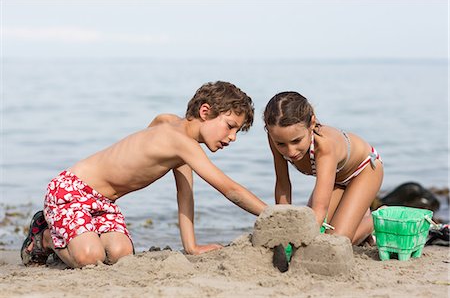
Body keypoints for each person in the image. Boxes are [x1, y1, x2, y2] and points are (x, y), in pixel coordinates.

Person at [21, 81, 267, 268]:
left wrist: (191, 247)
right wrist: (273, 214)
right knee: (90, 258)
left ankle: (79, 232)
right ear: (205, 111)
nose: (232, 137)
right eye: (230, 126)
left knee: (120, 255)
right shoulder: (181, 143)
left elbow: (185, 194)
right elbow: (230, 190)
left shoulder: (172, 127)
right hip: (71, 190)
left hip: (104, 203)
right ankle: (45, 237)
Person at [263, 91, 383, 245]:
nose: (290, 151)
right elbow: (283, 185)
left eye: (296, 141)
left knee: (335, 241)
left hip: (364, 170)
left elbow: (319, 208)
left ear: (312, 124)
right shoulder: (276, 137)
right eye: (281, 144)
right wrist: (283, 227)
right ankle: (357, 216)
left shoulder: (324, 146)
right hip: (336, 179)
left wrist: (300, 242)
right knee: (320, 233)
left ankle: (375, 219)